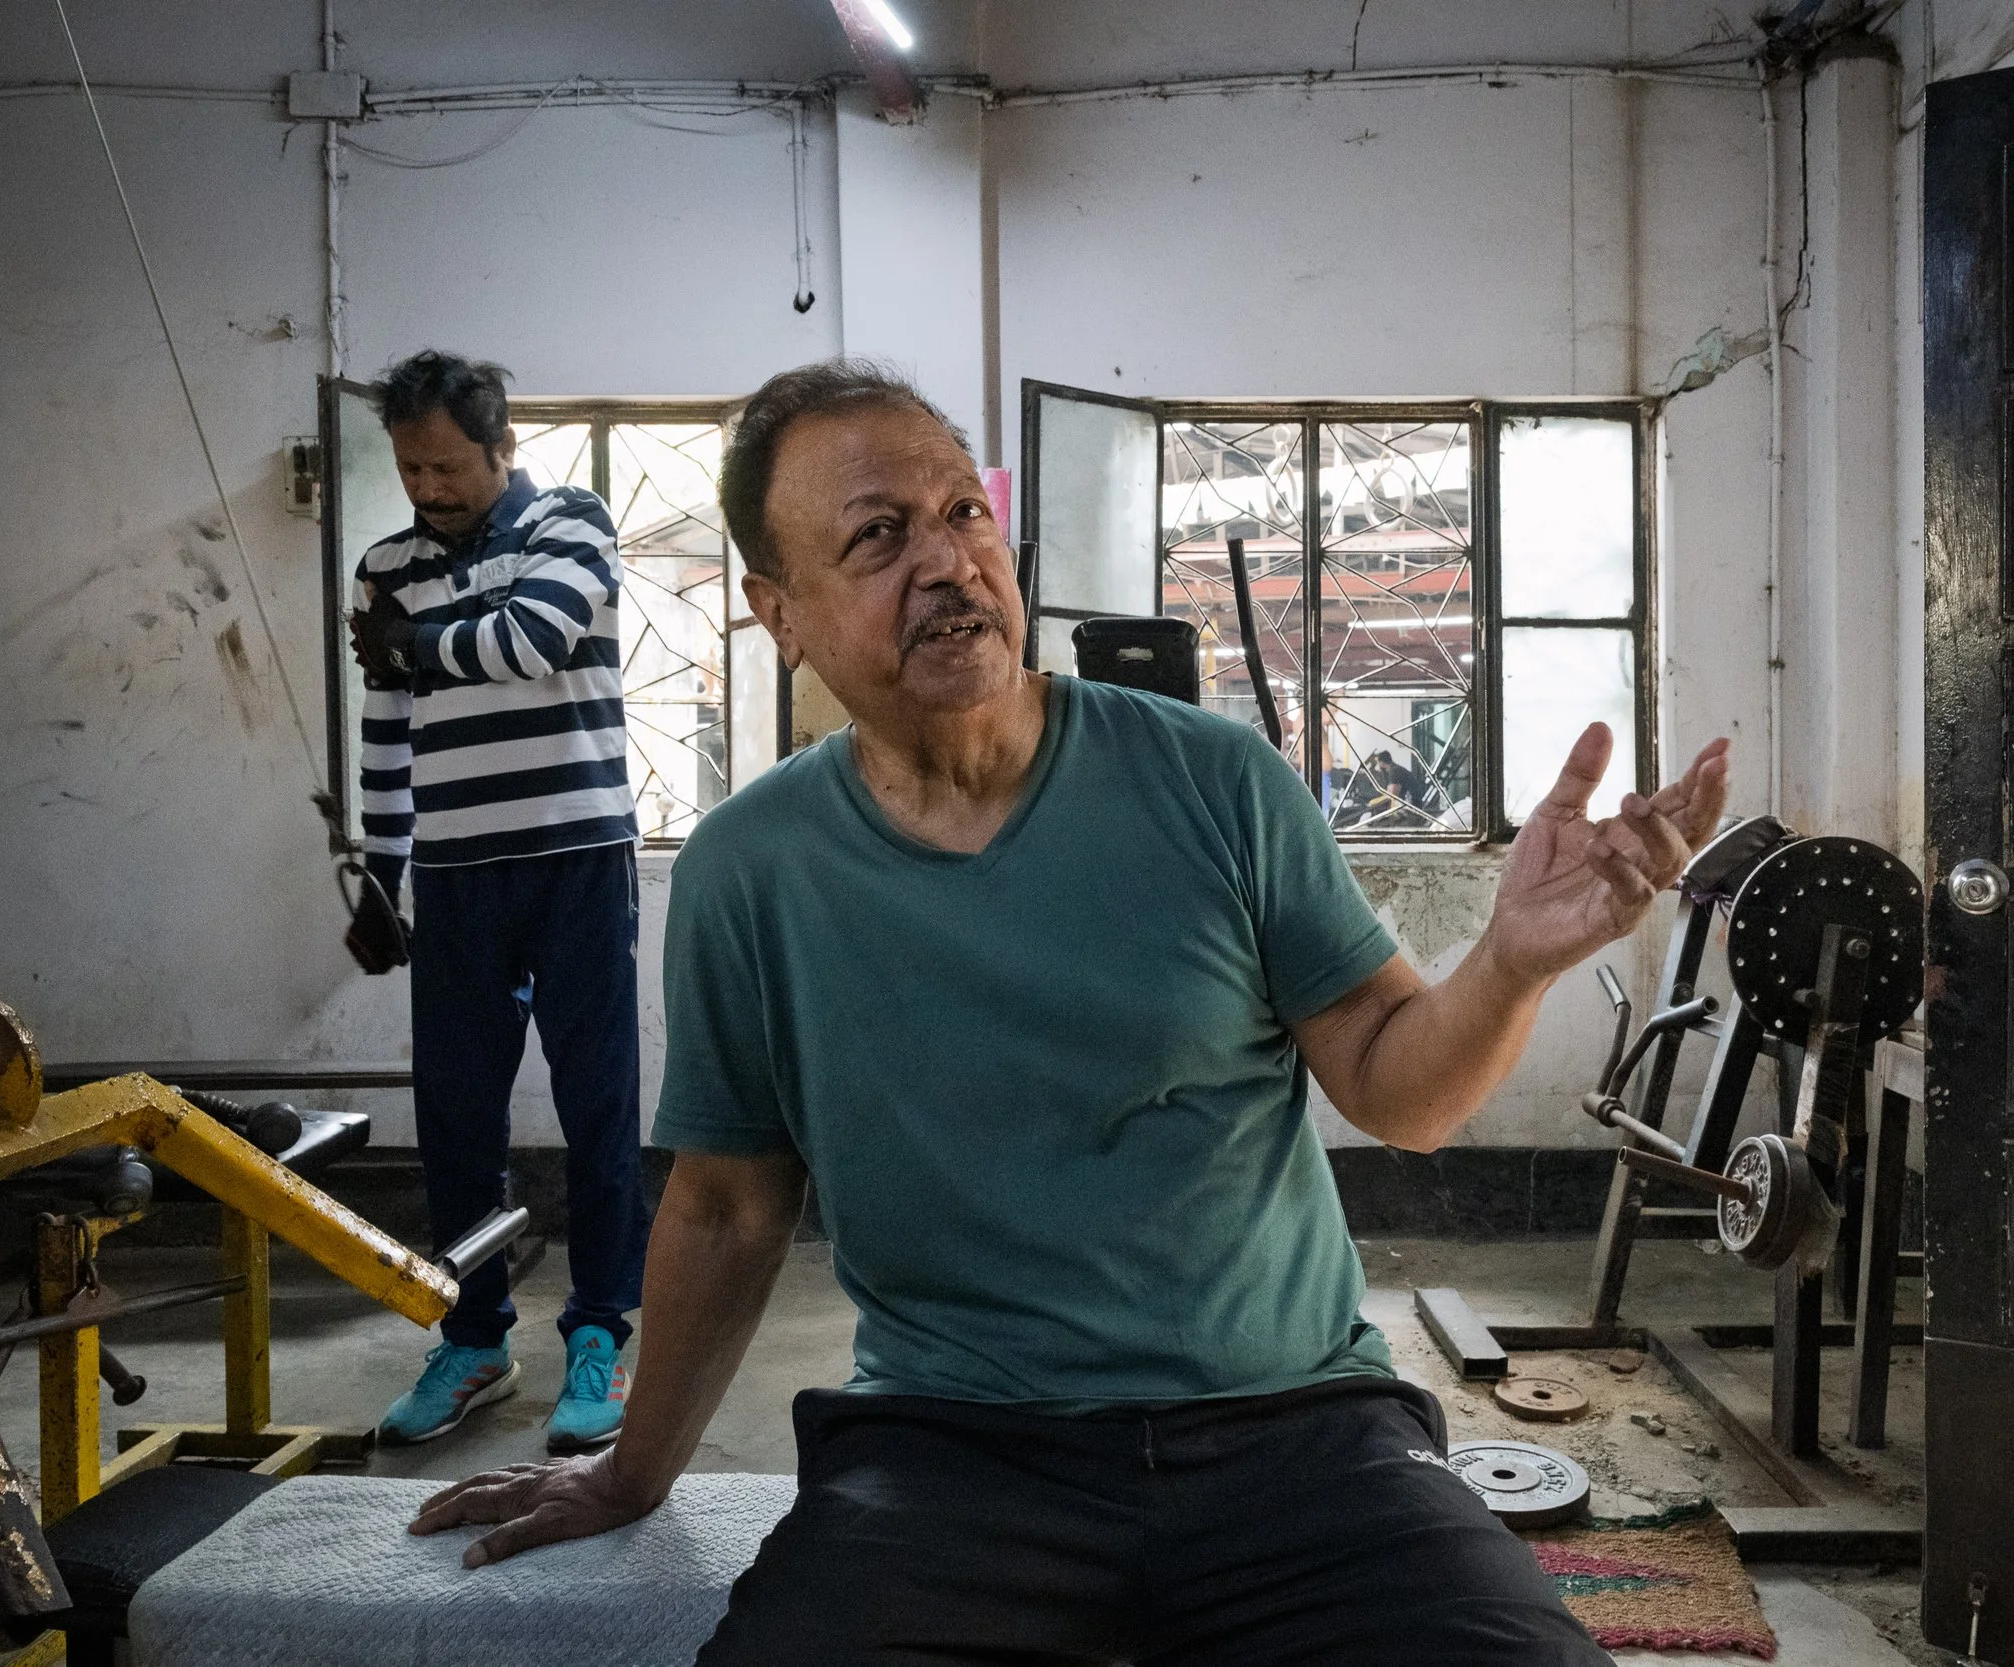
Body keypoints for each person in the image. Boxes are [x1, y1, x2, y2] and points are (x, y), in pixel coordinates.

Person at [408, 358, 1729, 1665]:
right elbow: (726, 1203)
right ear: (780, 609)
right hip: (956, 1452)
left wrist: (1509, 958)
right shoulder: (752, 869)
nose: (945, 562)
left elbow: (1403, 1090)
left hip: (1301, 1439)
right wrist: (633, 1474)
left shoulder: (1215, 780)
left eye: (961, 514)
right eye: (877, 535)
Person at [345, 350, 651, 1454]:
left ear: (501, 446)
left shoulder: (572, 520)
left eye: (447, 465)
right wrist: (382, 868)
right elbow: (385, 726)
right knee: (455, 1117)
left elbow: (531, 641)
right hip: (461, 871)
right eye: (410, 467)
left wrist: (419, 644)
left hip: (577, 855)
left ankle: (601, 1332)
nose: (427, 486)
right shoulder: (384, 564)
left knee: (599, 1105)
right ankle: (475, 1336)